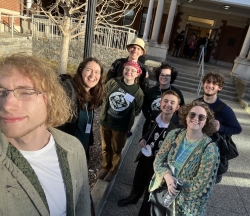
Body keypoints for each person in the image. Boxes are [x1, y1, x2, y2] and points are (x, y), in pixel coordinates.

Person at [0, 54, 91, 215]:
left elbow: (82, 205)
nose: (7, 105)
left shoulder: (73, 148)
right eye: (1, 91)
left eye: (25, 92)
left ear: (50, 99)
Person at [149, 101, 220, 216]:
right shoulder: (174, 134)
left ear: (206, 122)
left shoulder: (210, 149)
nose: (196, 118)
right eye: (192, 114)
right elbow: (159, 160)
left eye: (201, 117)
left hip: (184, 204)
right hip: (161, 191)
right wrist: (167, 176)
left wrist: (175, 184)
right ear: (186, 117)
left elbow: (202, 186)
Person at [117, 91, 181, 216]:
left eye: (172, 102)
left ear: (177, 107)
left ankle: (144, 212)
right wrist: (143, 139)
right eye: (165, 101)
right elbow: (148, 130)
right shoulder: (155, 115)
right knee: (138, 179)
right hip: (146, 156)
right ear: (160, 102)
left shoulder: (178, 126)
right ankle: (133, 198)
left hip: (160, 162)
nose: (168, 104)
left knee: (151, 187)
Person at [98, 61, 144, 182]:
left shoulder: (138, 92)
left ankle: (113, 170)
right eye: (127, 69)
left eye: (133, 70)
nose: (129, 72)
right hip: (106, 122)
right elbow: (104, 95)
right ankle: (105, 166)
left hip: (121, 126)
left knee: (116, 149)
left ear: (137, 74)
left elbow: (137, 108)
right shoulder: (113, 83)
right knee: (105, 147)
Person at [197, 72, 242, 183]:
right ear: (203, 84)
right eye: (208, 82)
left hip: (212, 155)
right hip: (195, 150)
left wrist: (220, 128)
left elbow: (237, 129)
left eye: (214, 83)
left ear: (219, 88)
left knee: (206, 187)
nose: (210, 85)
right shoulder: (196, 103)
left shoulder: (224, 109)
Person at [58, 57, 105, 160]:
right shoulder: (69, 93)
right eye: (89, 70)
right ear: (81, 70)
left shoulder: (91, 94)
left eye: (97, 72)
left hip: (82, 149)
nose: (93, 75)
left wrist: (90, 142)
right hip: (67, 153)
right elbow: (58, 127)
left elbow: (88, 121)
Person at [142, 63, 185, 135]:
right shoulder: (150, 91)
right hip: (151, 125)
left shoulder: (177, 93)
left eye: (167, 75)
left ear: (171, 78)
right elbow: (144, 107)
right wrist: (150, 117)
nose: (164, 77)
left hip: (169, 127)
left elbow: (182, 110)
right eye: (162, 74)